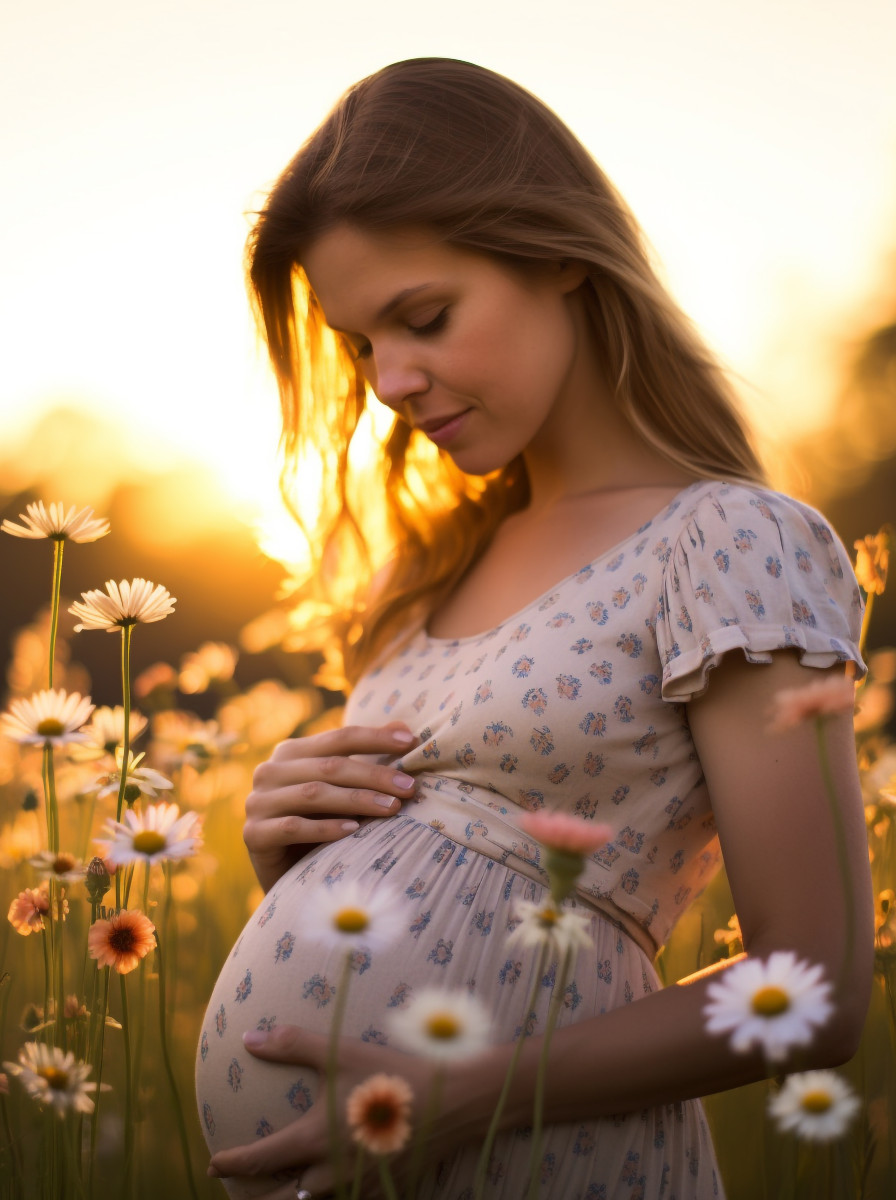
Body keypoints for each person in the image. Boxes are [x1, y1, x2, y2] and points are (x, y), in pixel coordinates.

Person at [196, 58, 873, 1199]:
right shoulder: (427, 570)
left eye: (424, 318)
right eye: (361, 343)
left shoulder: (726, 543)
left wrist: (466, 1095)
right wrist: (297, 858)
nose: (392, 380)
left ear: (555, 250)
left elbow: (816, 989)